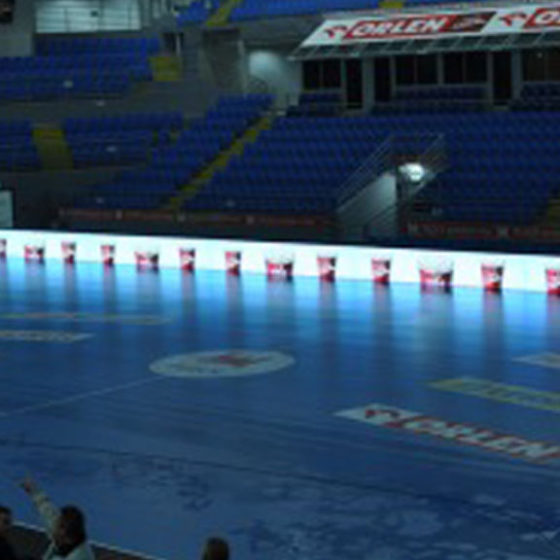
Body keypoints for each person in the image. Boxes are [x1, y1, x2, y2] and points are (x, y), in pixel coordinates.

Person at [20, 478, 94, 560]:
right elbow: (49, 513)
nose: (54, 525)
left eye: (59, 525)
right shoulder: (64, 536)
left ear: (68, 538)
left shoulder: (78, 556)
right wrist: (34, 491)